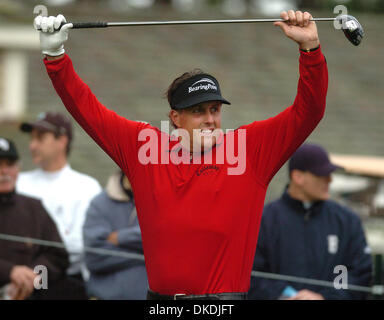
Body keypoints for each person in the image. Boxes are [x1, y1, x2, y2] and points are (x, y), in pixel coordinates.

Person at [34, 10, 328, 300]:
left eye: (215, 109)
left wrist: (310, 49)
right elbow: (89, 111)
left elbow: (308, 111)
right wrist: (56, 57)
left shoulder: (249, 149)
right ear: (175, 117)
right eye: (198, 111)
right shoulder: (145, 149)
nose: (210, 119)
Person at [248, 143, 373, 300]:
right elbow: (250, 275)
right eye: (321, 175)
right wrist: (286, 295)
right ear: (298, 177)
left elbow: (360, 275)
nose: (329, 180)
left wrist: (324, 297)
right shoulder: (263, 220)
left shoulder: (347, 221)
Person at [16, 111, 102, 298]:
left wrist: (36, 270)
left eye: (40, 138)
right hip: (16, 280)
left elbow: (80, 244)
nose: (32, 145)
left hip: (65, 284)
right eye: (32, 139)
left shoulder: (86, 186)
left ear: (62, 140)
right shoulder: (19, 183)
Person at [0, 137, 69, 300]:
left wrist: (32, 278)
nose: (4, 172)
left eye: (10, 165)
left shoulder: (34, 208)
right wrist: (9, 272)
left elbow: (58, 258)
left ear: (18, 169)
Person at [83, 170, 148, 300]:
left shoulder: (169, 203)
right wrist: (148, 256)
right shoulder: (100, 203)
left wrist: (120, 237)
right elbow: (93, 257)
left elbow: (173, 241)